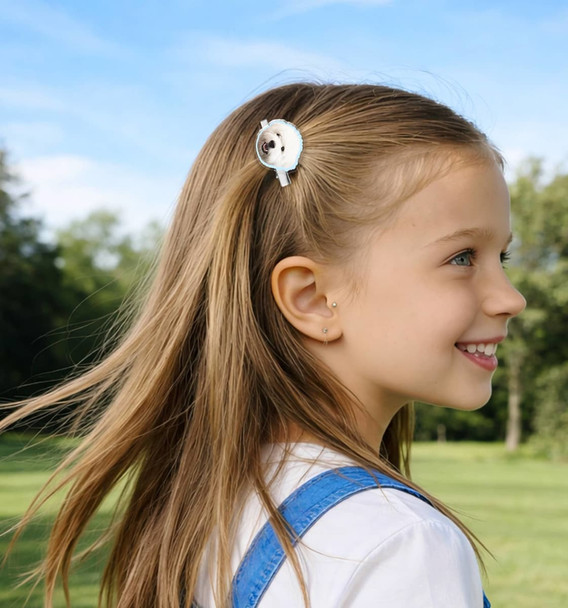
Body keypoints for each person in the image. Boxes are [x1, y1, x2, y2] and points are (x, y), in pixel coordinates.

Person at [1, 83, 526, 607]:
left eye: (500, 257)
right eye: (461, 257)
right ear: (313, 298)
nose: (511, 299)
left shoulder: (206, 513)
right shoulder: (400, 546)